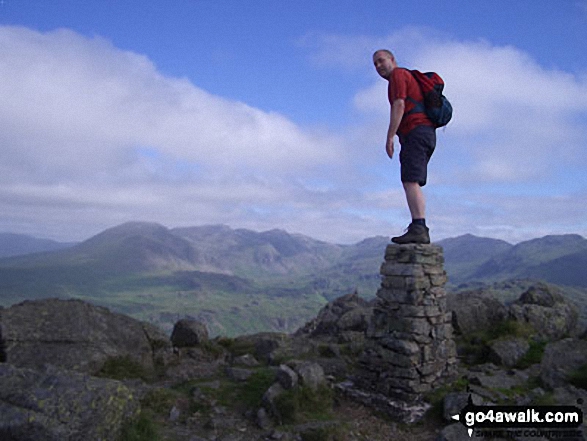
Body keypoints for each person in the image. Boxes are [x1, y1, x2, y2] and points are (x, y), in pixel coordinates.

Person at [373, 49, 436, 245]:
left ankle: (419, 227)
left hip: (416, 132)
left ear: (393, 59)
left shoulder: (399, 75)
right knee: (413, 180)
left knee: (410, 180)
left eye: (381, 61)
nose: (378, 66)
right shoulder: (405, 77)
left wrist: (390, 136)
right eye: (375, 64)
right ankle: (418, 225)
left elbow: (399, 105)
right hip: (424, 133)